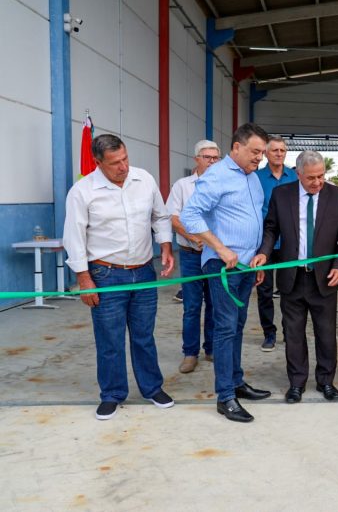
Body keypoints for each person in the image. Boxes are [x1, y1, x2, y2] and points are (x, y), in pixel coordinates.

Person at [64, 134, 175, 420]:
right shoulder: (83, 191)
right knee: (110, 339)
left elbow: (160, 216)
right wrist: (84, 279)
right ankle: (112, 394)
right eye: (115, 163)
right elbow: (73, 237)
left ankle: (152, 388)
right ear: (98, 163)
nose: (123, 167)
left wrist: (164, 245)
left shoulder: (144, 180)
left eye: (125, 159)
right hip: (105, 274)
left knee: (143, 336)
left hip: (143, 272)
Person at [181, 123, 272, 423]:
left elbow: (254, 219)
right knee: (225, 328)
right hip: (224, 267)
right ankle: (225, 397)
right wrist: (219, 248)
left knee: (238, 325)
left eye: (262, 152)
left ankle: (236, 381)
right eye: (255, 151)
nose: (259, 158)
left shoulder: (253, 178)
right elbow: (190, 215)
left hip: (246, 267)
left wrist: (258, 255)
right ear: (236, 147)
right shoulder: (217, 176)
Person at [254, 150, 338, 404]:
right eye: (311, 177)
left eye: (321, 176)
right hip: (292, 277)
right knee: (294, 333)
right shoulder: (282, 195)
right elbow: (271, 229)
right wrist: (264, 253)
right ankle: (296, 383)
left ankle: (325, 381)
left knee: (326, 334)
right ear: (298, 174)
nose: (317, 182)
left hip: (324, 278)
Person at [166, 139, 220, 374]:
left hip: (215, 255)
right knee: (191, 305)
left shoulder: (224, 184)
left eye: (216, 158)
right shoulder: (183, 186)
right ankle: (190, 353)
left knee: (215, 304)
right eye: (207, 157)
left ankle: (211, 348)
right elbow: (174, 218)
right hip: (191, 255)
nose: (212, 162)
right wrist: (195, 238)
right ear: (196, 159)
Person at [254, 134, 297, 353]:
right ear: (266, 153)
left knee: (289, 289)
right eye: (275, 150)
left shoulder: (294, 177)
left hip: (290, 241)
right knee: (264, 290)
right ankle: (269, 333)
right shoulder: (256, 177)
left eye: (282, 150)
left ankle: (289, 332)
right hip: (265, 243)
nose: (279, 154)